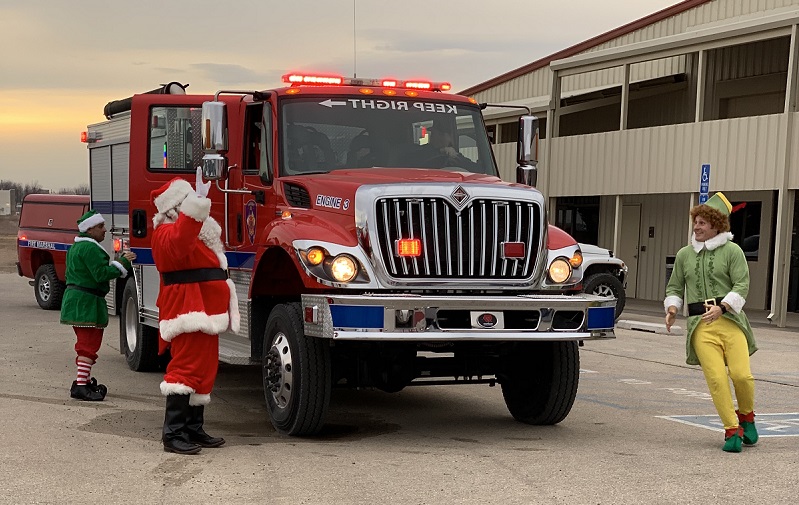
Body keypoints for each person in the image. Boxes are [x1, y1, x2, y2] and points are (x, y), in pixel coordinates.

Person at [150, 168, 240, 455]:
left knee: (204, 369)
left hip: (205, 309)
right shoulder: (165, 234)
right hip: (187, 309)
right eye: (188, 200)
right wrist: (197, 205)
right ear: (177, 208)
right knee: (186, 368)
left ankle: (192, 428)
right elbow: (179, 244)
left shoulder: (193, 234)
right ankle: (173, 433)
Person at [664, 192, 758, 453]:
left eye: (703, 223)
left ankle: (747, 417)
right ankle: (731, 430)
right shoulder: (684, 254)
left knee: (742, 375)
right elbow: (674, 286)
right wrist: (672, 308)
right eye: (696, 222)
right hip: (700, 326)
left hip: (731, 321)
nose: (697, 227)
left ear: (717, 225)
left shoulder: (733, 251)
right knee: (716, 379)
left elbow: (742, 284)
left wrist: (723, 307)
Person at [60, 210, 135, 401]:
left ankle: (82, 381)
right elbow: (101, 274)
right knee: (88, 346)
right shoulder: (90, 249)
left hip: (78, 301)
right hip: (86, 303)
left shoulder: (77, 247)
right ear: (90, 229)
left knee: (86, 343)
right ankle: (81, 386)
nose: (105, 230)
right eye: (101, 226)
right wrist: (123, 263)